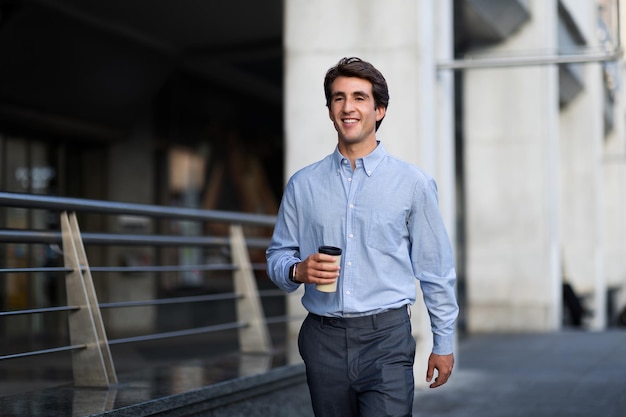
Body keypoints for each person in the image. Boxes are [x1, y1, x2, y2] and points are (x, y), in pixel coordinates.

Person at [266, 56, 458, 417]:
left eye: (359, 97)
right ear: (329, 110)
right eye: (338, 98)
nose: (348, 107)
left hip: (386, 337)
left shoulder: (413, 184)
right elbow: (277, 255)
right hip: (322, 339)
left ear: (379, 109)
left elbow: (436, 270)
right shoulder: (302, 185)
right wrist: (297, 271)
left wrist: (443, 342)